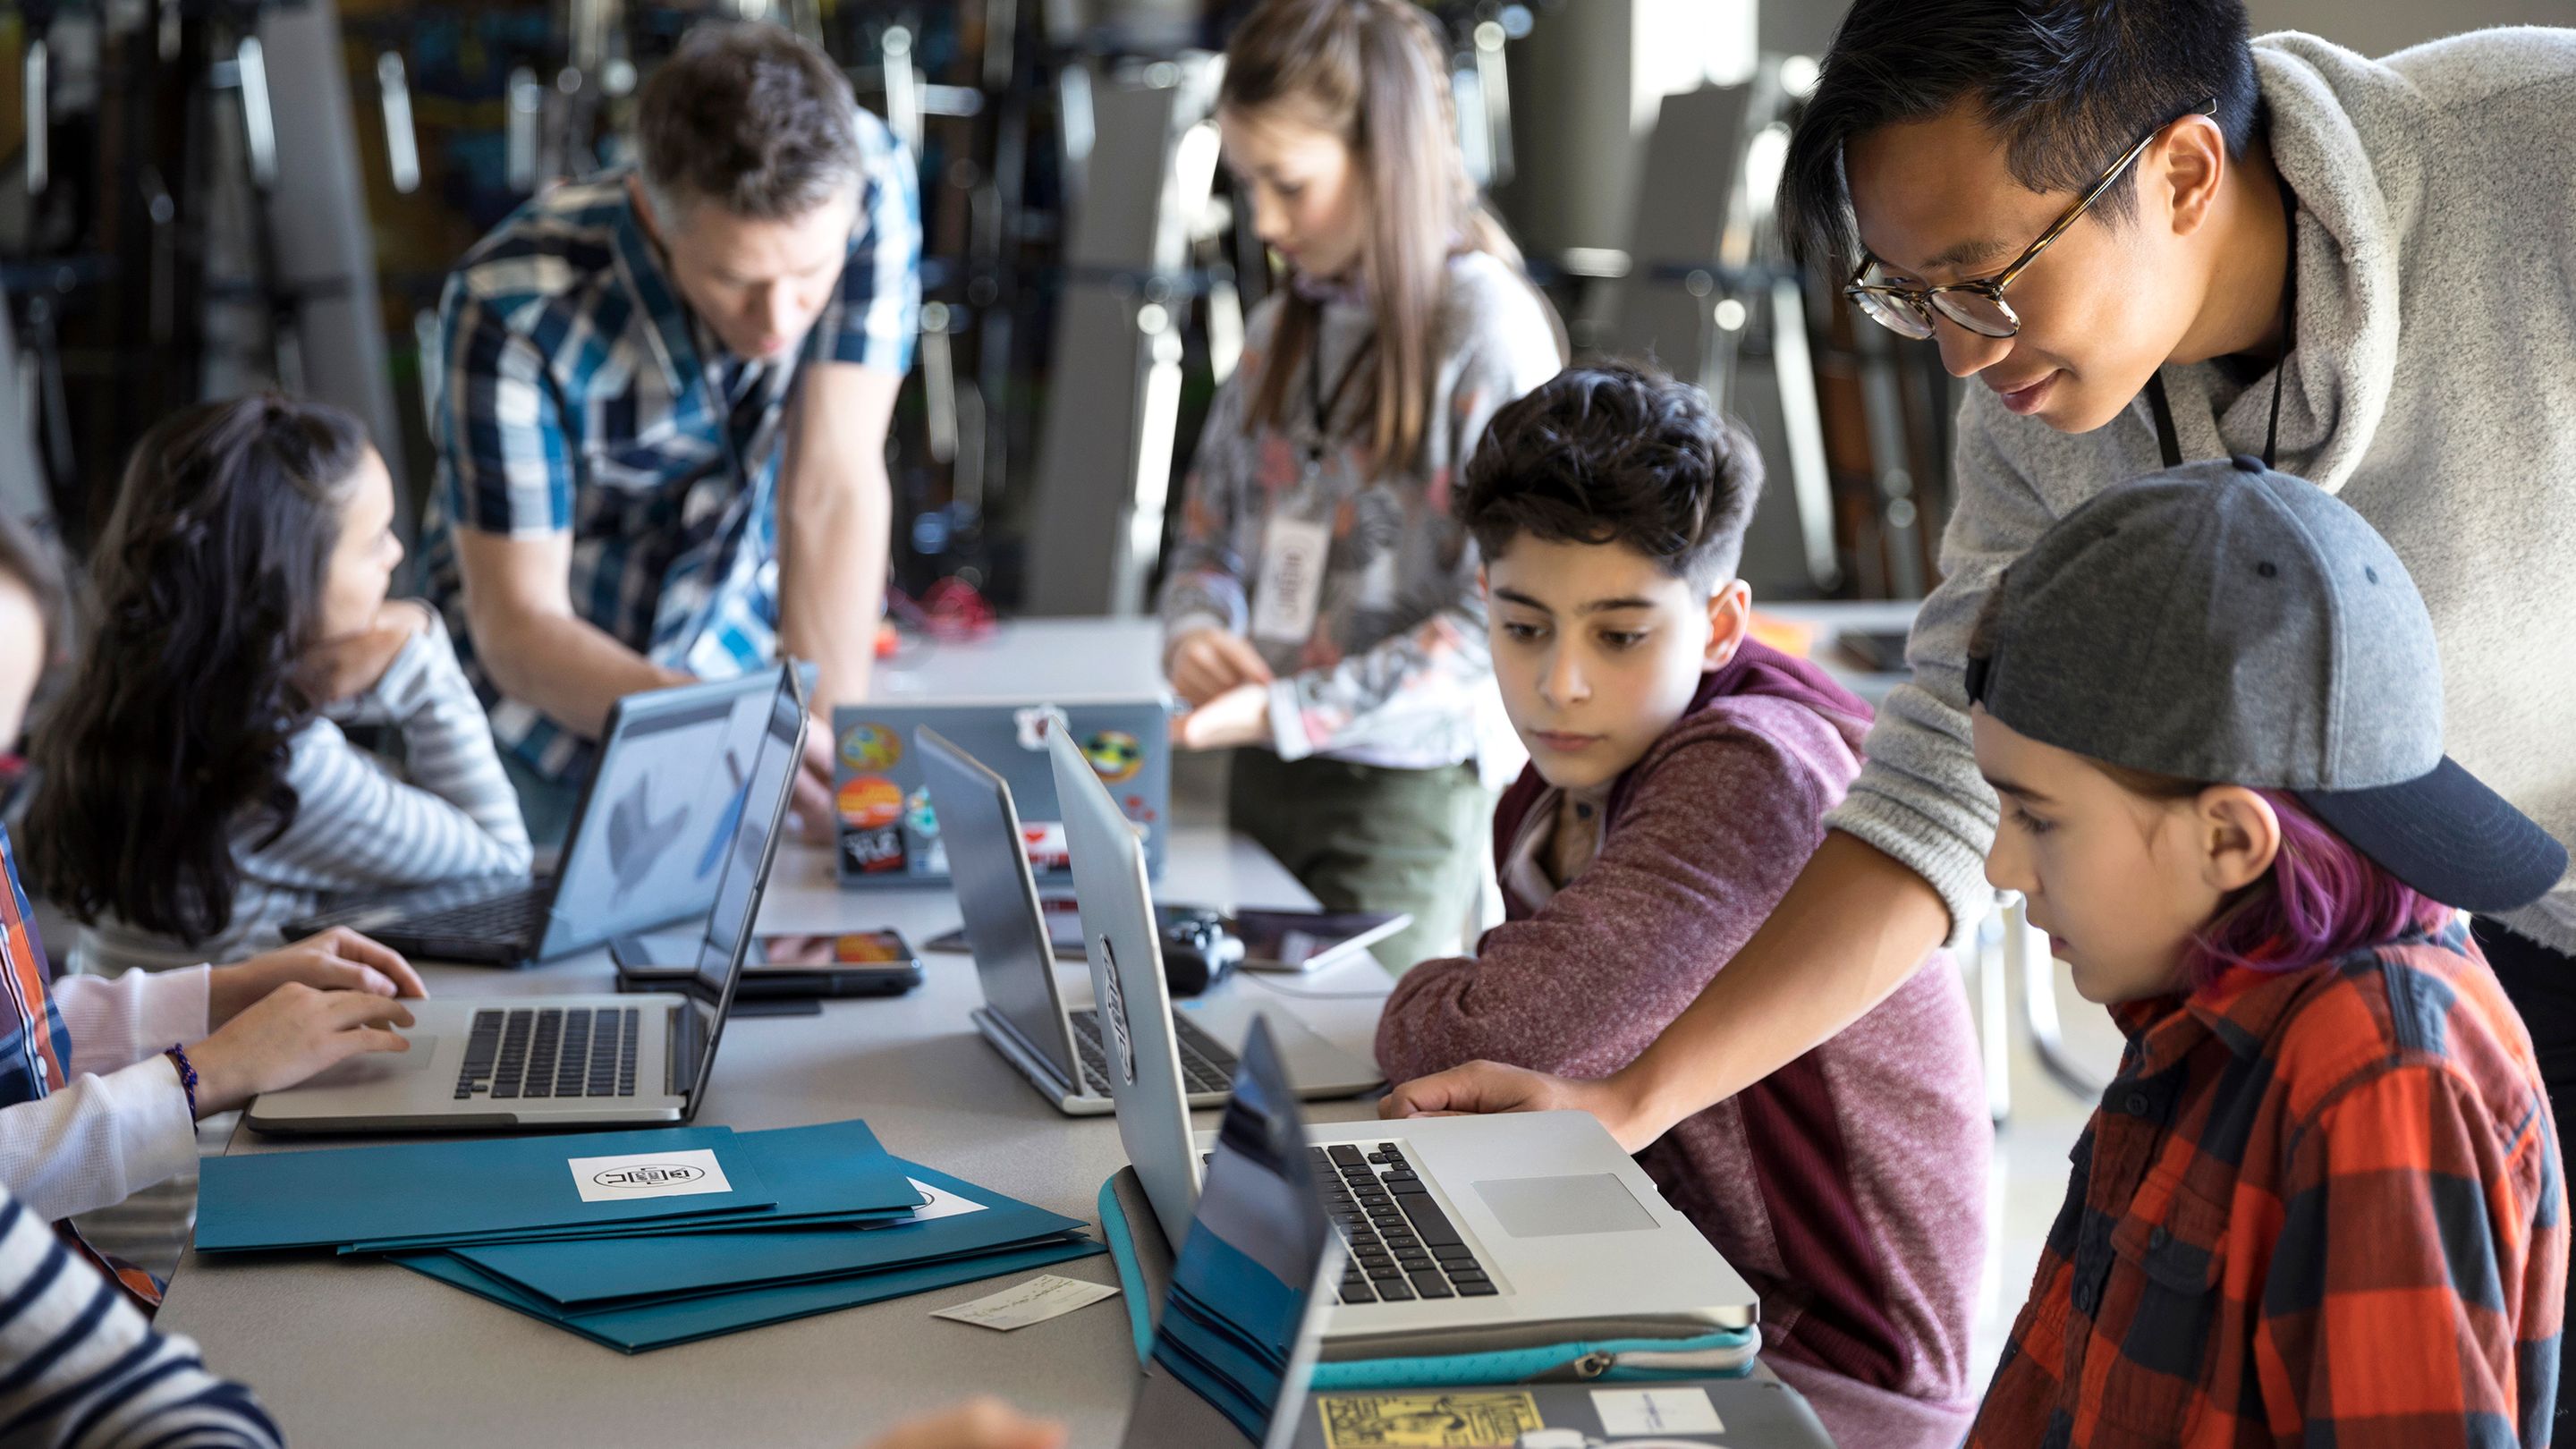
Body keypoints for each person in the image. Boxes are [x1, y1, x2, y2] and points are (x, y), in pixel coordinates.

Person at [1384, 0, 2576, 1369]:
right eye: (1909, 296)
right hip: (2428, 929)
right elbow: (1934, 782)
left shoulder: (2538, 156)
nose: (1956, 349)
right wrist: (1630, 1098)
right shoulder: (2042, 401)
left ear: (2182, 174)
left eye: (1980, 280)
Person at [1374, 362, 1987, 1446]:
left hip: (1820, 1367)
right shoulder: (1553, 784)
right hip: (1657, 1277)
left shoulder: (1750, 769)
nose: (1561, 683)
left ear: (1718, 623)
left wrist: (1437, 988)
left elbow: (1504, 1029)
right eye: (1524, 628)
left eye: (1618, 635)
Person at [1959, 458, 2565, 1445]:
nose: (2001, 865)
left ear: (2232, 840)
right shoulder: (2208, 1002)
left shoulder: (2380, 1075)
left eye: (2037, 817)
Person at [424, 20, 919, 850]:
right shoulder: (511, 309)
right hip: (531, 726)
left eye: (810, 276)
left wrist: (824, 760)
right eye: (737, 279)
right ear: (654, 214)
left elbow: (831, 485)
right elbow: (516, 630)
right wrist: (722, 728)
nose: (780, 320)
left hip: (724, 668)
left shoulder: (867, 178)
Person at [1160, 0, 1565, 970]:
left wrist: (1292, 710)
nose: (1261, 220)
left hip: (1402, 796)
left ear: (1385, 159)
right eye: (1248, 182)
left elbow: (1508, 611)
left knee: (1369, 1086)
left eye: (1288, 186)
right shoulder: (1279, 333)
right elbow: (1206, 543)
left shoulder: (1485, 331)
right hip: (1262, 772)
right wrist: (1197, 630)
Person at [27, 396, 531, 977]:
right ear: (287, 583)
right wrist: (422, 656)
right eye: (372, 543)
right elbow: (503, 864)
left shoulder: (139, 705)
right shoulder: (279, 769)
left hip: (143, 1052)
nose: (395, 554)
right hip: (232, 1061)